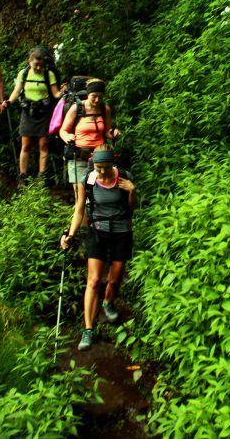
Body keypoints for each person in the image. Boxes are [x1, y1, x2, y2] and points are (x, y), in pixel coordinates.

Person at [60, 145, 137, 351]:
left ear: (113, 163)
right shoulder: (88, 179)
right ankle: (88, 329)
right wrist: (70, 234)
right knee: (93, 280)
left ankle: (108, 303)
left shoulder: (124, 178)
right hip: (97, 230)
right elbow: (78, 210)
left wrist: (132, 191)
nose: (101, 171)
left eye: (105, 167)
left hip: (121, 230)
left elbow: (131, 210)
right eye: (97, 167)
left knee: (115, 278)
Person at [0, 48, 62, 183]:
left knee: (43, 145)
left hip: (44, 112)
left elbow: (55, 93)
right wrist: (9, 102)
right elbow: (17, 91)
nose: (38, 67)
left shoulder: (48, 74)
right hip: (28, 111)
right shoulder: (24, 73)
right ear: (29, 61)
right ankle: (23, 176)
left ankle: (41, 177)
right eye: (36, 65)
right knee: (26, 145)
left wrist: (63, 92)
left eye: (41, 65)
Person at [59, 78, 120, 205]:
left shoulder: (104, 109)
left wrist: (113, 133)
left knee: (95, 190)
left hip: (98, 158)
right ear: (88, 94)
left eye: (100, 97)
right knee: (79, 193)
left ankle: (94, 221)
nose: (97, 100)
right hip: (79, 156)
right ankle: (81, 223)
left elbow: (106, 132)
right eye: (94, 97)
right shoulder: (77, 108)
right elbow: (63, 131)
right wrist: (68, 137)